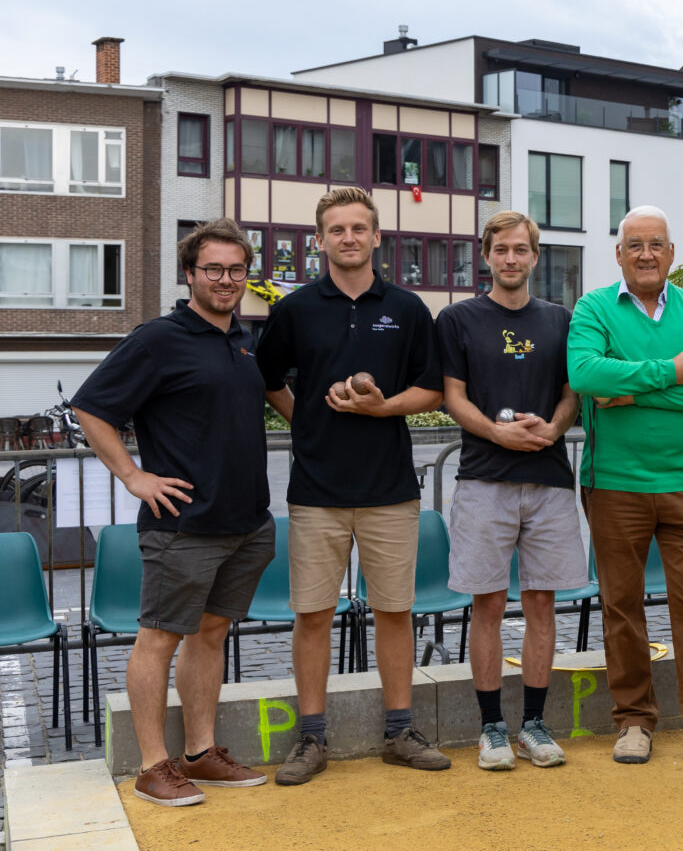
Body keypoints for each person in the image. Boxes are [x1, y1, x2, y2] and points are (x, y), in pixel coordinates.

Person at [72, 218, 276, 807]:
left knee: (210, 636)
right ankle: (151, 766)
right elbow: (91, 407)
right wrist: (133, 476)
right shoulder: (157, 338)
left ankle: (200, 753)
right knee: (157, 640)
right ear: (190, 274)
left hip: (245, 524)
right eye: (213, 269)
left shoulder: (243, 339)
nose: (226, 279)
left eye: (237, 269)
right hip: (182, 525)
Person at [256, 186, 448, 784]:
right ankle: (311, 739)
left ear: (375, 236)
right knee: (313, 615)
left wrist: (382, 408)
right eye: (336, 229)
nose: (348, 238)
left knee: (395, 611)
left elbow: (433, 389)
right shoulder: (295, 309)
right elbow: (268, 380)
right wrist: (308, 420)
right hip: (315, 492)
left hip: (391, 489)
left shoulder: (410, 308)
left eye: (358, 228)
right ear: (319, 240)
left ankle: (399, 731)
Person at [566, 205, 683, 773]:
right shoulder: (594, 306)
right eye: (635, 245)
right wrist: (673, 371)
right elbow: (585, 377)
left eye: (657, 245)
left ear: (671, 254)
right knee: (621, 607)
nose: (646, 254)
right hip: (612, 484)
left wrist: (632, 388)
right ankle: (634, 722)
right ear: (618, 254)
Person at [435, 211, 585, 768]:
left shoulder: (561, 319)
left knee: (543, 603)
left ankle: (536, 724)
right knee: (488, 604)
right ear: (486, 255)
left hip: (548, 482)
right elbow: (452, 396)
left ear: (535, 256)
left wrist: (555, 427)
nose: (511, 259)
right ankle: (492, 726)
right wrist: (496, 431)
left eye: (521, 250)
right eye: (501, 250)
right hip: (484, 478)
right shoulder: (458, 319)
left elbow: (572, 394)